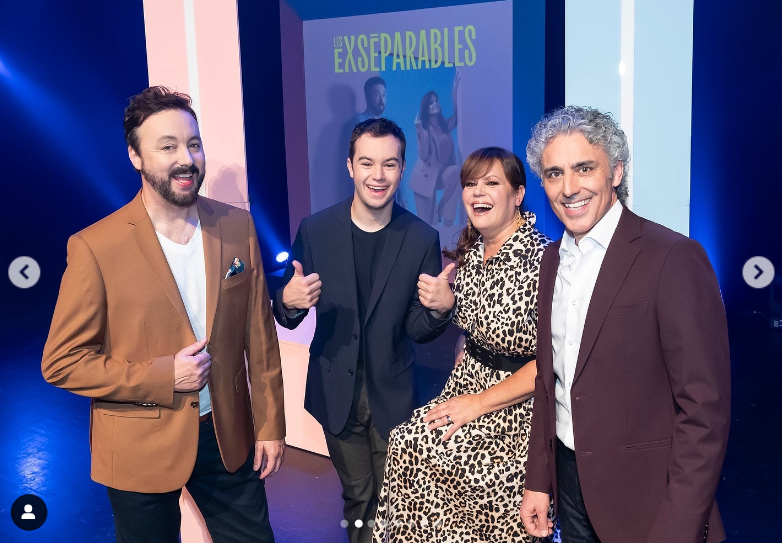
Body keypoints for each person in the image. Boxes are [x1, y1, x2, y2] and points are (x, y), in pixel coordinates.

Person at [41, 86, 285, 543]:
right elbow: (62, 362)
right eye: (167, 146)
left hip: (225, 434)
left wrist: (271, 426)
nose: (186, 158)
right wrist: (163, 375)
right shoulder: (96, 247)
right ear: (135, 156)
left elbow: (260, 337)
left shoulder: (236, 226)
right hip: (138, 445)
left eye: (193, 144)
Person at [519, 106, 731, 543]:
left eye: (584, 168)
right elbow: (550, 382)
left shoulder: (673, 258)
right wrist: (539, 479)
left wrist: (677, 529)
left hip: (649, 505)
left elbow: (704, 413)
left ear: (616, 171)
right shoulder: (551, 259)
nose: (570, 187)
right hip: (572, 487)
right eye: (555, 173)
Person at [272, 117, 454, 543]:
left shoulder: (421, 237)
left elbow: (417, 326)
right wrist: (287, 301)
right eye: (367, 163)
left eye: (389, 164)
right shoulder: (315, 230)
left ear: (403, 168)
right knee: (359, 496)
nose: (378, 175)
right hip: (336, 391)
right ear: (350, 166)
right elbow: (287, 308)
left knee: (395, 499)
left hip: (393, 395)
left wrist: (442, 311)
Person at [373, 147, 551, 542]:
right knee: (406, 443)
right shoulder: (473, 250)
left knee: (469, 472)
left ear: (518, 194)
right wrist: (455, 322)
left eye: (491, 183)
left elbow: (548, 363)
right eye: (470, 184)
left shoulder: (544, 258)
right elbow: (481, 326)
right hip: (467, 385)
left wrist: (475, 403)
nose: (477, 192)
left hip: (518, 410)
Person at [408, 73, 461, 226]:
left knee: (457, 171)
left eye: (436, 101)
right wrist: (418, 129)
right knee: (427, 225)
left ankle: (444, 212)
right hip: (424, 179)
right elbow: (423, 155)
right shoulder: (424, 128)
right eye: (431, 102)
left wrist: (455, 92)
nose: (435, 104)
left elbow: (457, 117)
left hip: (441, 174)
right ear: (426, 107)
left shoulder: (444, 124)